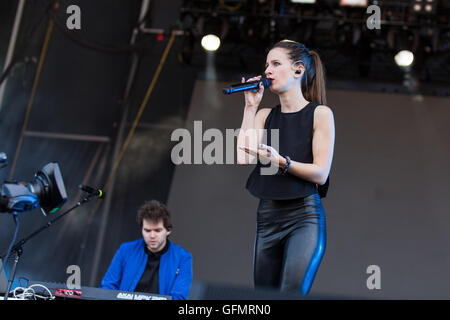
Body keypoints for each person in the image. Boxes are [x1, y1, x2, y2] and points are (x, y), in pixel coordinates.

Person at [237, 40, 335, 295]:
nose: (267, 70)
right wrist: (250, 106)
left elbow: (320, 173)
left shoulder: (320, 114)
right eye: (267, 64)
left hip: (303, 217)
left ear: (298, 70)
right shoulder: (264, 115)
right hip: (267, 217)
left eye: (276, 64)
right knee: (263, 297)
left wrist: (283, 162)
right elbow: (242, 157)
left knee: (291, 292)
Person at [100, 200, 193, 300]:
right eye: (147, 230)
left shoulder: (183, 258)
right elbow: (108, 287)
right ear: (141, 230)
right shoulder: (126, 250)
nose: (152, 235)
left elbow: (179, 297)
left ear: (168, 230)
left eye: (157, 230)